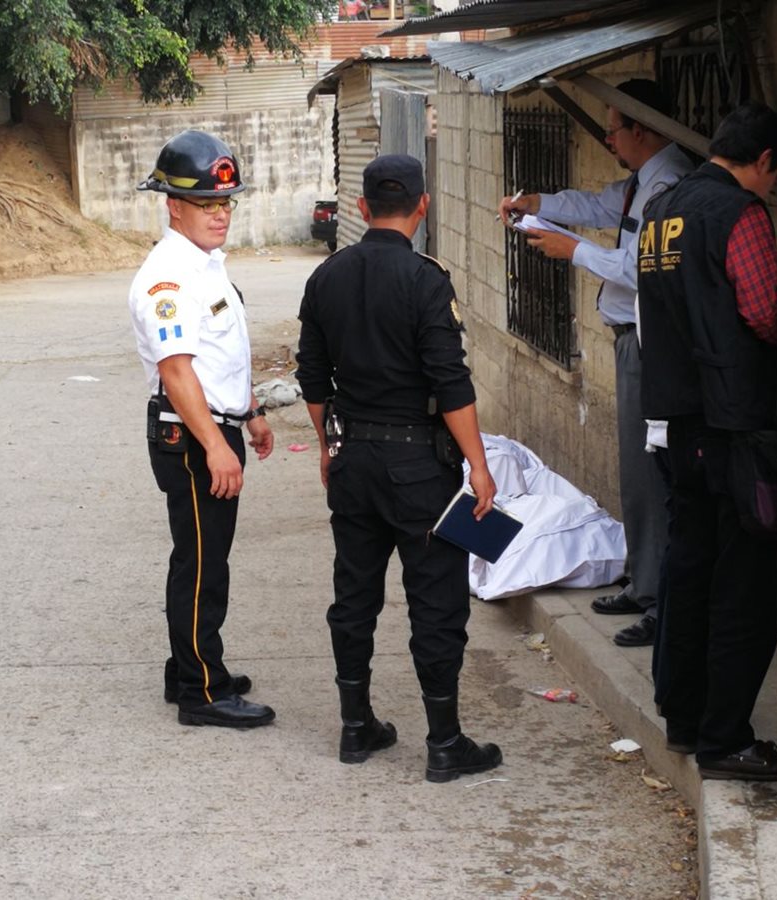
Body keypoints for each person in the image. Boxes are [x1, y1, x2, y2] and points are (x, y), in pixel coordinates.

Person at [296, 154, 503, 783]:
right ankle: (444, 743)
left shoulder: (326, 278)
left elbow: (311, 377)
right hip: (421, 468)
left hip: (355, 459)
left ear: (360, 209)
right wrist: (479, 466)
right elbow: (452, 380)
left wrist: (328, 447)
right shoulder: (426, 279)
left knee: (353, 595)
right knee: (435, 601)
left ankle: (356, 728)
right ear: (422, 205)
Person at [499, 79, 692, 649]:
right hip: (631, 337)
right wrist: (540, 206)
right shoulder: (641, 182)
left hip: (651, 340)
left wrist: (573, 250)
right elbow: (598, 204)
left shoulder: (669, 186)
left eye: (615, 127)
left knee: (649, 472)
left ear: (644, 128)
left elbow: (639, 271)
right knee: (633, 470)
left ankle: (656, 592)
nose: (607, 137)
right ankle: (643, 578)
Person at [636, 103, 777, 781]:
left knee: (688, 570)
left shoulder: (662, 209)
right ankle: (726, 739)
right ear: (764, 162)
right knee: (744, 582)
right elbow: (763, 310)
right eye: (774, 175)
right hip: (732, 426)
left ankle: (687, 719)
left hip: (677, 420)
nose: (772, 187)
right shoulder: (739, 214)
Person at [127, 130, 276, 729]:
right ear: (173, 206)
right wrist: (216, 445)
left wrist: (251, 412)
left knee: (205, 556)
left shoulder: (205, 266)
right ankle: (201, 691)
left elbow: (222, 357)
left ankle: (190, 664)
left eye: (226, 203)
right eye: (208, 205)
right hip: (191, 438)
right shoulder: (167, 278)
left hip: (216, 426)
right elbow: (178, 370)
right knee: (201, 563)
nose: (221, 215)